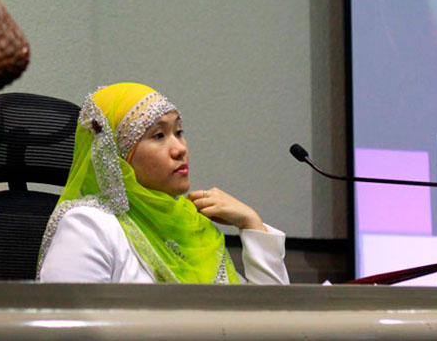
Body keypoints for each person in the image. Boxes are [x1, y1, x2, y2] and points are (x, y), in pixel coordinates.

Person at [38, 82, 289, 284]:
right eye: (158, 136)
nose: (179, 149)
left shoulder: (193, 224)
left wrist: (251, 223)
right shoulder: (90, 226)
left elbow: (273, 323)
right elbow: (71, 327)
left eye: (179, 132)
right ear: (118, 155)